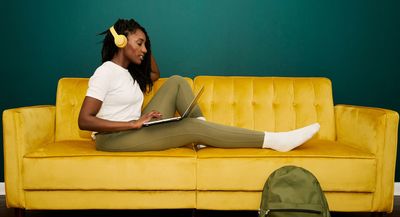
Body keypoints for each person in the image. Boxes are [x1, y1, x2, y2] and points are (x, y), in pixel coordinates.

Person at [78, 18, 320, 152]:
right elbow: (84, 120)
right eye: (139, 43)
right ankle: (274, 141)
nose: (143, 49)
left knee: (176, 81)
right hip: (113, 139)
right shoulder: (105, 72)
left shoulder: (128, 73)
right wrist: (132, 123)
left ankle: (204, 134)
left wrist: (145, 45)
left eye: (145, 45)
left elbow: (155, 73)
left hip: (134, 129)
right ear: (121, 41)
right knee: (192, 126)